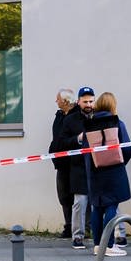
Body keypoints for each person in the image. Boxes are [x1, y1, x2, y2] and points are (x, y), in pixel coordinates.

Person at [82, 91, 131, 256]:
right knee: (111, 206)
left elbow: (84, 150)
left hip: (94, 171)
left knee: (97, 207)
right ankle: (109, 245)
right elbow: (127, 148)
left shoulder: (88, 124)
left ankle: (98, 245)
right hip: (113, 170)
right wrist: (120, 162)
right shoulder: (117, 124)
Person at [57, 87, 97, 250]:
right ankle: (78, 236)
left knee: (99, 203)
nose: (88, 104)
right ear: (78, 101)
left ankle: (100, 235)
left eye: (91, 101)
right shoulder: (70, 120)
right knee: (80, 202)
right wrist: (77, 139)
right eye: (85, 101)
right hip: (79, 167)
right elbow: (61, 142)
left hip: (98, 166)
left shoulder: (100, 117)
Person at [49, 88, 76, 238]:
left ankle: (83, 227)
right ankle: (68, 226)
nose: (56, 101)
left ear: (65, 101)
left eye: (58, 99)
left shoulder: (76, 116)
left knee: (79, 195)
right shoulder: (59, 116)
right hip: (61, 163)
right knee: (64, 196)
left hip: (74, 162)